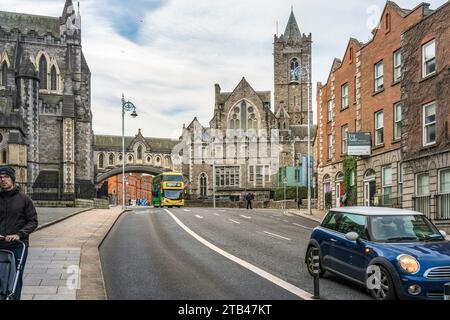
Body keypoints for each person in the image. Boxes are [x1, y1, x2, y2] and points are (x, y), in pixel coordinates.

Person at [0, 166, 38, 300]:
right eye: (0, 177)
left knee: (15, 276)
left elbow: (33, 221)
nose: (3, 180)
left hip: (18, 245)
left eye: (6, 177)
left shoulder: (24, 199)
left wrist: (19, 234)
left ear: (12, 180)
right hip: (0, 244)